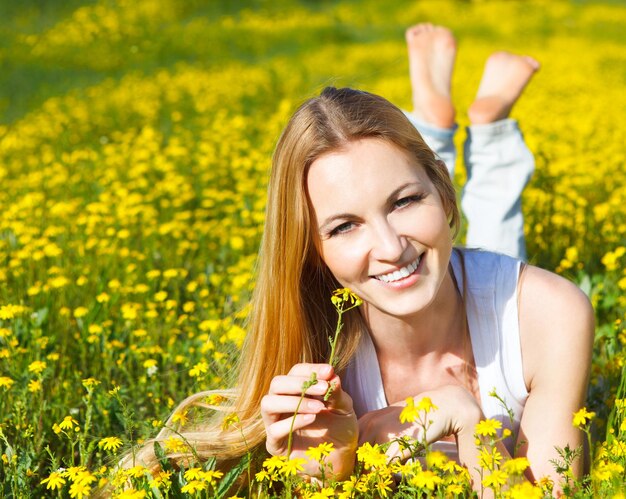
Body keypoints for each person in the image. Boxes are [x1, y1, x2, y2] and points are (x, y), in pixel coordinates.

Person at [128, 24, 593, 492]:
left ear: (442, 192)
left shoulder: (549, 313)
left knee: (496, 235)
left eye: (406, 200)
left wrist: (467, 420)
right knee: (438, 247)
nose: (390, 247)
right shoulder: (316, 353)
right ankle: (432, 125)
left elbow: (556, 491)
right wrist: (333, 472)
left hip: (486, 281)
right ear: (313, 251)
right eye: (344, 226)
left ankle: (484, 131)